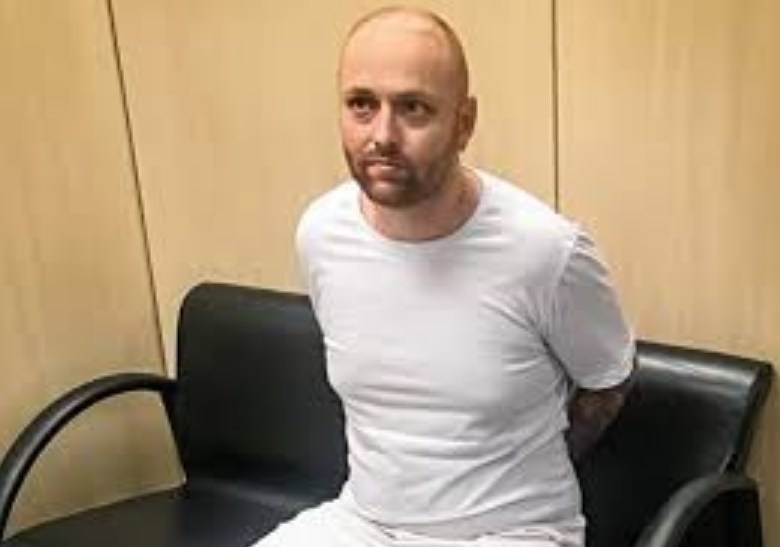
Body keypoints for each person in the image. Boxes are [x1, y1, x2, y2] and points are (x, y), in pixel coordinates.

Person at [256, 6, 634, 547]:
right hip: (364, 524)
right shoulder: (320, 233)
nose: (382, 135)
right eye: (362, 104)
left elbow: (608, 384)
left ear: (464, 122)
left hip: (513, 532)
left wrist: (517, 476)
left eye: (413, 108)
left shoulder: (546, 251)